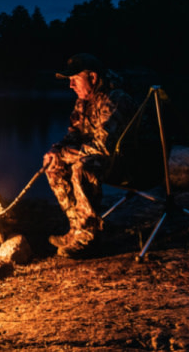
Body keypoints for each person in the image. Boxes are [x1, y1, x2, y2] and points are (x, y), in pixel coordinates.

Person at [44, 53, 136, 258]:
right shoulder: (84, 101)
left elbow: (104, 146)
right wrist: (57, 150)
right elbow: (75, 134)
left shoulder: (115, 99)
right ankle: (76, 228)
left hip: (126, 161)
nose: (71, 86)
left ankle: (88, 238)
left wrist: (68, 154)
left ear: (93, 78)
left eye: (74, 80)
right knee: (54, 162)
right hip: (101, 156)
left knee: (82, 168)